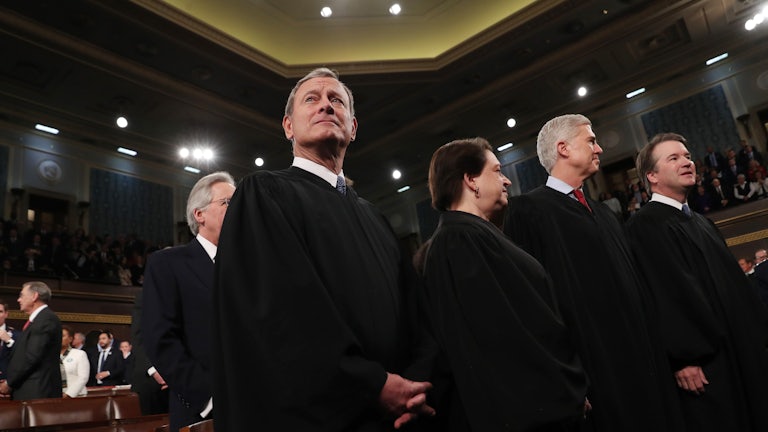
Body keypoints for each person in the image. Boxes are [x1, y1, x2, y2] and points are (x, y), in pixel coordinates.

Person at [214, 68, 436, 431]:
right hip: (322, 416)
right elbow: (281, 314)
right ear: (288, 126)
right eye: (312, 99)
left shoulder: (374, 217)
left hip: (399, 415)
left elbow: (417, 315)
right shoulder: (264, 194)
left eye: (337, 101)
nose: (326, 107)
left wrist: (416, 385)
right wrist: (371, 383)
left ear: (353, 128)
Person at [504, 114, 682, 432]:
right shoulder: (527, 212)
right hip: (594, 371)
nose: (599, 148)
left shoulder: (606, 214)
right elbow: (532, 306)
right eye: (591, 140)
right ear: (563, 148)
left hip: (644, 363)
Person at [415, 138, 588, 431]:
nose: (506, 180)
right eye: (496, 171)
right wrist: (561, 391)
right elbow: (507, 337)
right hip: (531, 412)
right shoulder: (460, 241)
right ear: (471, 180)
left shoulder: (476, 235)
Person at [626, 133, 768, 432]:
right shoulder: (646, 224)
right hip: (704, 364)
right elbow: (666, 294)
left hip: (739, 349)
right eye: (673, 158)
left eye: (688, 156)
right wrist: (684, 357)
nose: (687, 162)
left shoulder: (701, 222)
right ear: (651, 175)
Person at [143, 171, 235, 432]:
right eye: (227, 202)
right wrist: (208, 398)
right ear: (199, 214)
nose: (237, 209)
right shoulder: (168, 263)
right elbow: (160, 339)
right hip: (201, 410)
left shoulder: (250, 267)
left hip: (256, 405)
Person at [0, 281, 62, 400]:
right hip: (30, 390)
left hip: (37, 392)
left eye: (22, 295)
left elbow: (31, 357)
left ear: (34, 296)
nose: (18, 300)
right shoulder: (39, 320)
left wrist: (9, 383)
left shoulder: (45, 320)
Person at [61, 325, 89, 397]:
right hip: (57, 396)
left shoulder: (79, 354)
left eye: (62, 336)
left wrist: (69, 394)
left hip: (77, 395)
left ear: (70, 339)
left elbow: (83, 377)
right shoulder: (51, 356)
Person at [0, 301, 17, 383]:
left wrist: (9, 341)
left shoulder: (16, 335)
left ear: (6, 314)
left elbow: (22, 358)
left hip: (8, 384)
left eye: (0, 311)